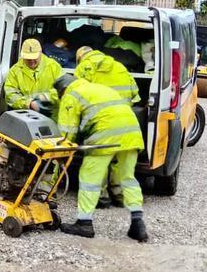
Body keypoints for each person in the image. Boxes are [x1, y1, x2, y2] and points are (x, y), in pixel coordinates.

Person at [55, 75, 149, 242]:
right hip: (131, 133)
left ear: (62, 91)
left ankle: (84, 223)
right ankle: (137, 223)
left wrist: (61, 151)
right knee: (127, 177)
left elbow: (67, 132)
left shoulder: (71, 94)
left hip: (105, 137)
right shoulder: (97, 87)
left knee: (89, 178)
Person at [4, 38, 62, 113]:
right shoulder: (15, 71)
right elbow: (10, 95)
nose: (31, 61)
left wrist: (43, 99)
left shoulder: (54, 67)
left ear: (40, 53)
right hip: (25, 114)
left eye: (34, 57)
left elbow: (62, 90)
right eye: (28, 58)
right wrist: (28, 103)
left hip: (51, 114)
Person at [75, 46, 140, 103]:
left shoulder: (83, 66)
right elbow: (134, 90)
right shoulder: (119, 65)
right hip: (123, 107)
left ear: (80, 57)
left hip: (99, 109)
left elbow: (77, 91)